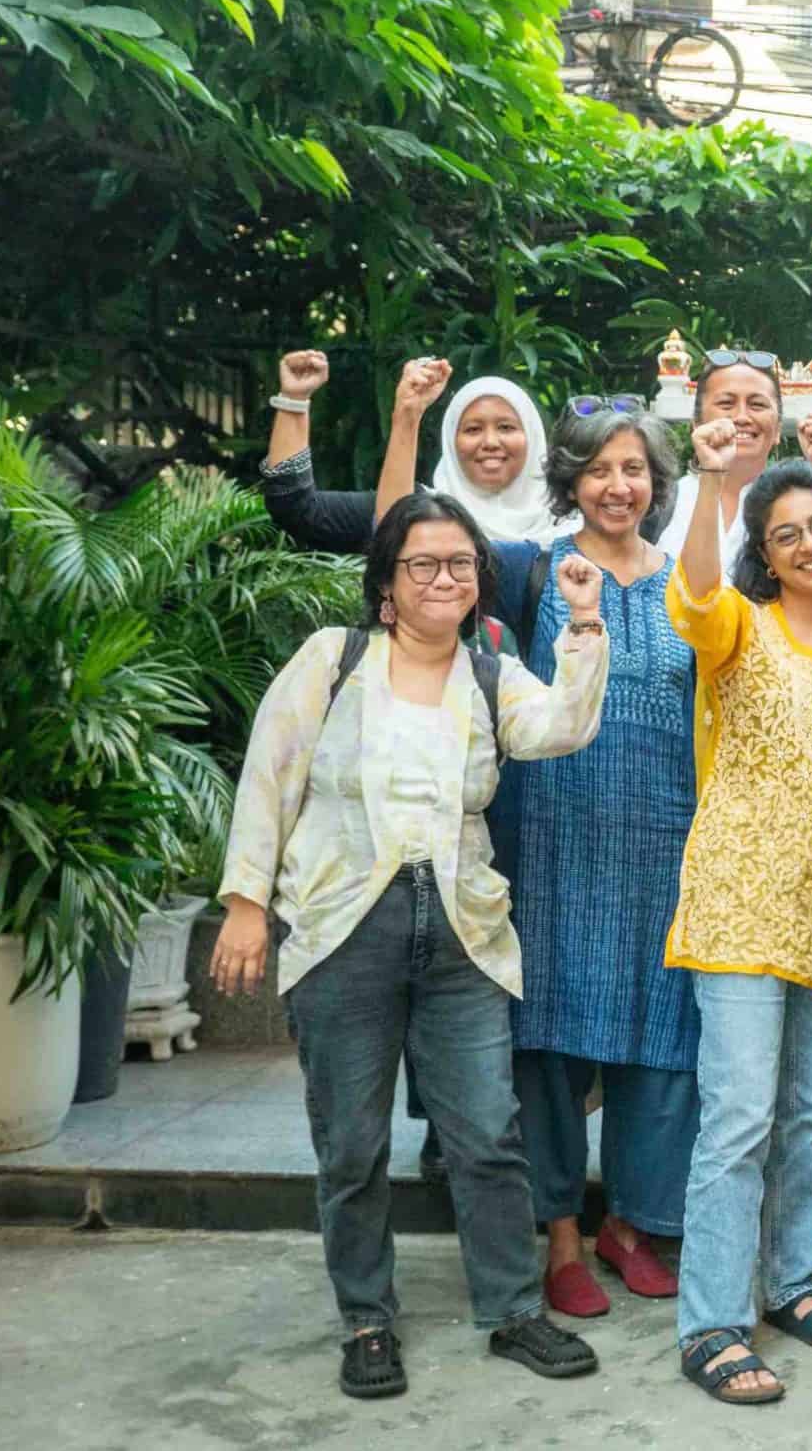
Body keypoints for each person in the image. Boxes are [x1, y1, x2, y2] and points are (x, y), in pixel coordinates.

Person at [209, 493, 609, 1399]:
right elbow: (268, 776)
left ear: (480, 582)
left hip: (463, 927)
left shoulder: (490, 671)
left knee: (487, 1135)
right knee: (349, 1143)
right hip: (345, 921)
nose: (444, 578)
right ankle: (367, 1320)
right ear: (386, 584)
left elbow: (563, 728)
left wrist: (585, 623)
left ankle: (513, 1311)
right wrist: (244, 903)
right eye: (423, 563)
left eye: (461, 564)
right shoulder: (333, 660)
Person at [376, 364, 702, 1320]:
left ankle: (633, 1225)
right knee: (547, 1045)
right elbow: (398, 535)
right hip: (552, 845)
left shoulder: (691, 587)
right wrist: (407, 416)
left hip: (664, 845)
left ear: (656, 481)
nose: (618, 486)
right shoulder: (524, 569)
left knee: (663, 1037)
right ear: (570, 479)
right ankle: (560, 1233)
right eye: (599, 469)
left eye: (634, 469)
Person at [665, 433, 812, 1406]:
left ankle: (792, 1281)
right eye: (785, 531)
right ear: (762, 547)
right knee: (739, 1119)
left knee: (809, 1120)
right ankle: (711, 1322)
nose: (808, 543)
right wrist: (719, 483)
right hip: (741, 904)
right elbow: (694, 599)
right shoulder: (739, 629)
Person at [259, 351, 575, 556]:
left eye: (506, 427)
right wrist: (294, 401)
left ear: (532, 437)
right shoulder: (419, 513)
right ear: (451, 444)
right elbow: (298, 509)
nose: (490, 442)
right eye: (472, 430)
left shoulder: (572, 522)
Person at [652, 346, 812, 578]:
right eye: (726, 404)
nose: (742, 417)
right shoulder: (662, 503)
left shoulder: (791, 502)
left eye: (757, 405)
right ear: (696, 423)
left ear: (778, 429)